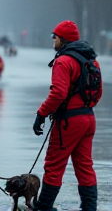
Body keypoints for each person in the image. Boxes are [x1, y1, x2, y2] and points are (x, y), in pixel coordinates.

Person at [32, 21, 102, 211]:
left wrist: (41, 114)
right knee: (85, 166)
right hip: (88, 118)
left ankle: (44, 207)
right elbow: (98, 92)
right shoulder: (92, 61)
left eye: (54, 36)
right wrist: (84, 107)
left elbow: (58, 93)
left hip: (68, 122)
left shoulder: (63, 61)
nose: (53, 40)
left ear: (62, 39)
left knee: (54, 164)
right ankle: (89, 207)